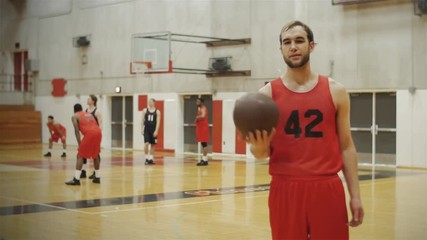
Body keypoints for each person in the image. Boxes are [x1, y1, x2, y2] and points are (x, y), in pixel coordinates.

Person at [247, 20, 364, 239]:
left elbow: (346, 146)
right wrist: (259, 147)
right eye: (287, 42)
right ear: (280, 48)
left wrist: (355, 195)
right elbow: (260, 153)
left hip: (327, 187)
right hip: (285, 189)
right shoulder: (266, 95)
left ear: (311, 46)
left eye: (299, 41)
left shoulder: (336, 91)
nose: (293, 46)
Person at [65, 103, 102, 185]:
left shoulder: (75, 116)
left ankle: (76, 179)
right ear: (81, 109)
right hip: (98, 132)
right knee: (95, 155)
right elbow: (95, 124)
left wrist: (79, 144)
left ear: (74, 110)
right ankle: (97, 177)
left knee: (80, 156)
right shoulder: (88, 114)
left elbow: (76, 131)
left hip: (90, 134)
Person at [80, 94, 102, 179]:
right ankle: (83, 171)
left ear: (93, 101)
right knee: (84, 152)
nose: (87, 100)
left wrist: (98, 135)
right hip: (87, 135)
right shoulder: (86, 111)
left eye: (88, 99)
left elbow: (100, 124)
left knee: (96, 154)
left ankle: (95, 173)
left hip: (95, 135)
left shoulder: (97, 112)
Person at [141, 98, 161, 165]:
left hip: (153, 129)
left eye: (151, 102)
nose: (149, 103)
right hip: (146, 129)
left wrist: (156, 131)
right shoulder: (144, 110)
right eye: (148, 102)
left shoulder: (157, 112)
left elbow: (158, 122)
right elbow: (142, 120)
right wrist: (142, 129)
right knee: (146, 143)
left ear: (154, 103)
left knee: (153, 145)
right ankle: (146, 158)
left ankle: (151, 159)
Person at [195, 97, 210, 166]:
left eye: (198, 101)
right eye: (196, 101)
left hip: (203, 128)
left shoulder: (203, 108)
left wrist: (197, 117)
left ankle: (204, 160)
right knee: (203, 144)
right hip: (201, 127)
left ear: (201, 102)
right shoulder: (200, 108)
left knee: (204, 144)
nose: (197, 102)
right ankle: (205, 159)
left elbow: (203, 115)